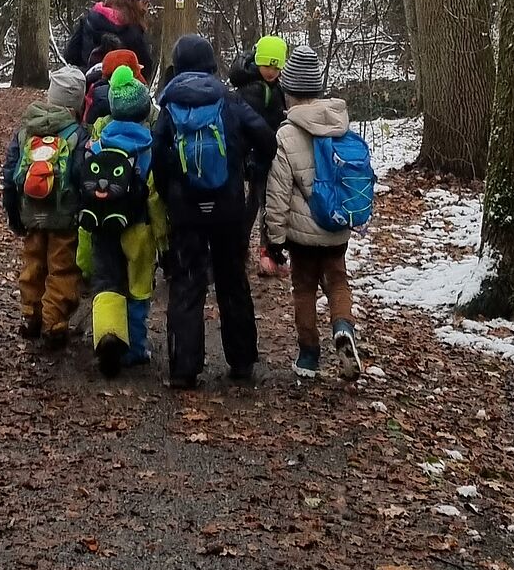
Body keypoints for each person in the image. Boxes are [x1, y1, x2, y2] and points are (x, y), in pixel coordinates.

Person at [151, 32, 274, 389]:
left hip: (186, 209)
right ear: (211, 64)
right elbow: (267, 139)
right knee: (232, 279)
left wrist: (169, 193)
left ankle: (184, 370)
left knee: (187, 281)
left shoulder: (169, 107)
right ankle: (241, 362)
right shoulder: (230, 102)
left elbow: (157, 157)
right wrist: (249, 167)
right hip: (228, 205)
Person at [263, 43, 365, 380]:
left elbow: (277, 193)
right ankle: (343, 328)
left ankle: (308, 356)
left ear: (288, 92)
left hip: (302, 235)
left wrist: (274, 239)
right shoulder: (340, 125)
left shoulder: (287, 134)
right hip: (337, 225)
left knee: (304, 289)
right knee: (338, 282)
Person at [72, 65, 161, 377]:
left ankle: (109, 336)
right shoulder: (149, 148)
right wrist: (163, 236)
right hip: (137, 228)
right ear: (143, 113)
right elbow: (153, 197)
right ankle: (135, 348)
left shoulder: (97, 143)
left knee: (106, 282)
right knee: (138, 287)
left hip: (102, 224)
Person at [0, 67, 85, 351]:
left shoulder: (26, 130)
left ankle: (31, 315)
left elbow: (11, 172)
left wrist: (13, 212)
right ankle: (54, 324)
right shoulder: (77, 135)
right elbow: (82, 175)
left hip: (30, 211)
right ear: (78, 103)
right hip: (64, 215)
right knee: (62, 268)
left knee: (33, 263)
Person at [227, 34, 289, 275]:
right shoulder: (249, 89)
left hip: (269, 154)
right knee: (250, 205)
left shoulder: (277, 89)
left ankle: (267, 252)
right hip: (250, 155)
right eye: (267, 65)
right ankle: (240, 250)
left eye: (276, 66)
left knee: (267, 204)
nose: (271, 71)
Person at [63, 0, 157, 79]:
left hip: (87, 87)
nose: (146, 9)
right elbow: (145, 69)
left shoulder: (89, 20)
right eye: (144, 3)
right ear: (131, 2)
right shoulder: (133, 32)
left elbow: (70, 56)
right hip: (119, 91)